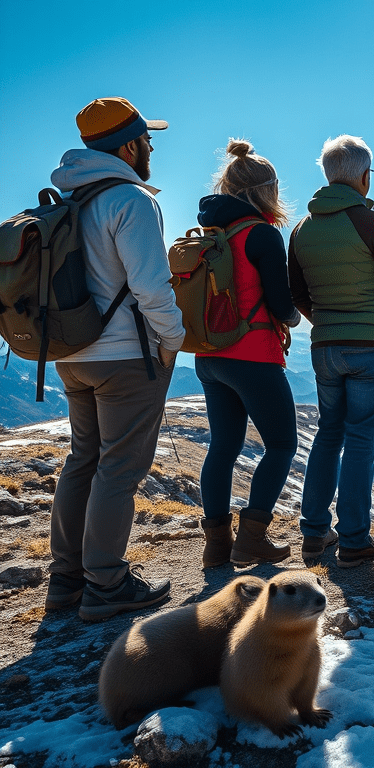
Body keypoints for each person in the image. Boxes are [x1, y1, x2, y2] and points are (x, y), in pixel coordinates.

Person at [45, 97, 185, 621]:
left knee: (82, 458)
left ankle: (67, 579)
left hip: (71, 353)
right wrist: (172, 339)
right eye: (146, 139)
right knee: (120, 468)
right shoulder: (130, 199)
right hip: (125, 357)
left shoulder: (68, 201)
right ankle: (106, 583)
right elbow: (151, 286)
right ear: (127, 147)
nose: (150, 147)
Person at [289, 135, 374, 567]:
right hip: (371, 347)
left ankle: (313, 534)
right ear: (364, 177)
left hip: (324, 348)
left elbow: (296, 293)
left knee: (328, 433)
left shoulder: (301, 230)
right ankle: (354, 541)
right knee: (361, 439)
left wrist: (328, 320)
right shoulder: (370, 222)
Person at [194, 140, 302, 567]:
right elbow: (281, 305)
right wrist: (295, 317)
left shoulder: (210, 233)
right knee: (282, 443)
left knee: (223, 447)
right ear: (267, 190)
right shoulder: (261, 234)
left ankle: (217, 545)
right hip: (252, 355)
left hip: (209, 355)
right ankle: (252, 539)